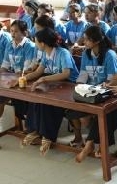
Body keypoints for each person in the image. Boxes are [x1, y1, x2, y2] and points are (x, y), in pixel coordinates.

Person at [19, 28, 79, 156]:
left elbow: (66, 73)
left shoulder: (63, 53)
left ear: (42, 43)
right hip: (55, 85)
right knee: (35, 98)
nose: (35, 44)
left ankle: (48, 136)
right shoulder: (46, 54)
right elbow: (38, 72)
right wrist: (24, 78)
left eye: (36, 41)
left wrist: (44, 79)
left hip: (69, 85)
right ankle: (34, 130)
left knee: (48, 103)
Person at [69, 26, 117, 161]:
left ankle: (97, 144)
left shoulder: (110, 55)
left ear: (96, 41)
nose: (84, 42)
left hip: (105, 93)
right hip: (89, 92)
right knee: (80, 116)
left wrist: (98, 88)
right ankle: (99, 141)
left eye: (86, 40)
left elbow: (112, 80)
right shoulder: (86, 53)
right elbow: (83, 74)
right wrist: (79, 87)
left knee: (101, 114)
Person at [0, 20, 36, 123]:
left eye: (16, 31)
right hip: (12, 79)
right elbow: (5, 65)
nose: (12, 34)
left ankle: (28, 125)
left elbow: (27, 70)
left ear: (24, 33)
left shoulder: (30, 46)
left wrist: (14, 79)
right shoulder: (10, 44)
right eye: (11, 31)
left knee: (19, 99)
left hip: (26, 80)